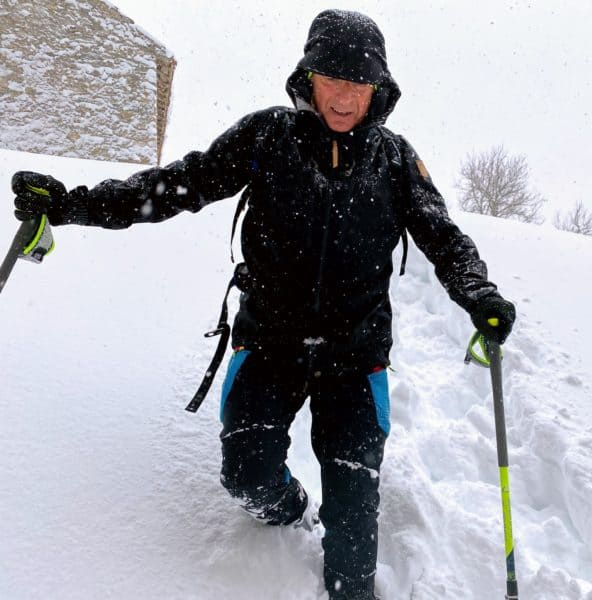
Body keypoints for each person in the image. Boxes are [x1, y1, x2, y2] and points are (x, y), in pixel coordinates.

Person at [11, 9, 515, 600]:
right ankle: (291, 507)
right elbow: (176, 185)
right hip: (270, 342)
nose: (344, 96)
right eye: (333, 79)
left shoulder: (395, 160)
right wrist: (71, 205)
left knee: (354, 522)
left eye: (359, 83)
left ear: (379, 88)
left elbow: (443, 237)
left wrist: (478, 292)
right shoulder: (267, 137)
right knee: (246, 477)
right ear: (309, 78)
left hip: (355, 358)